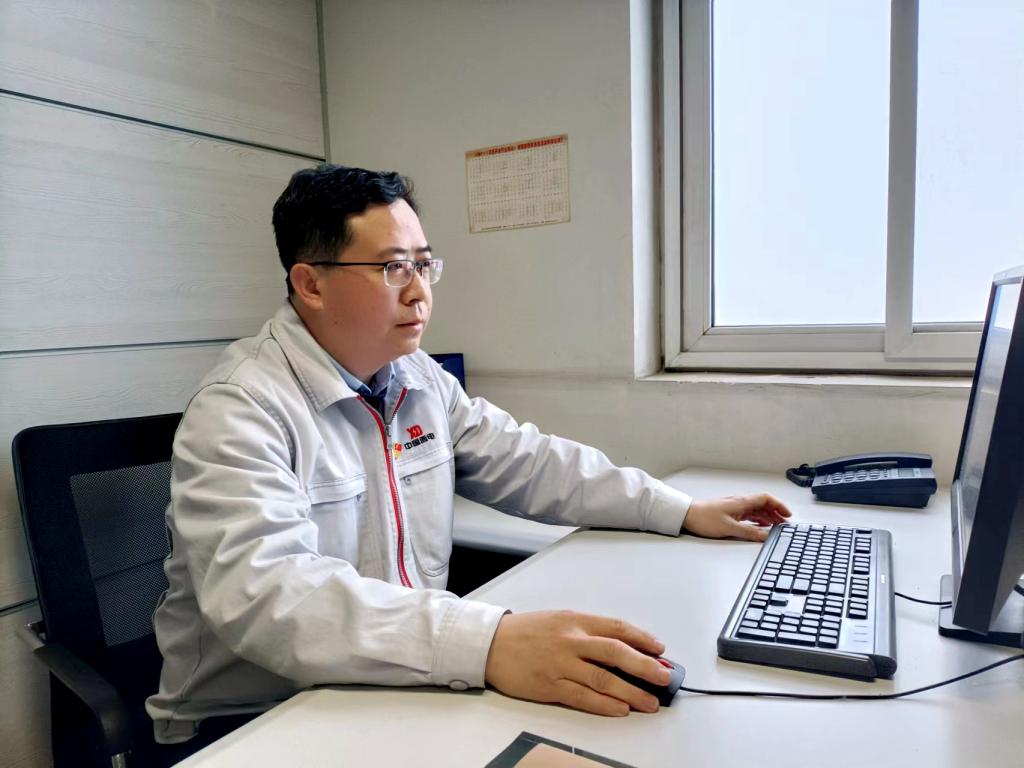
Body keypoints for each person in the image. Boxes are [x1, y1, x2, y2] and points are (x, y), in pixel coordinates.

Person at [146, 164, 790, 756]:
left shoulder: (416, 377)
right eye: (392, 268)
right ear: (310, 283)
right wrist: (490, 642)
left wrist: (678, 509)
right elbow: (269, 598)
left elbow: (529, 461)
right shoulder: (240, 408)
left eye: (424, 265)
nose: (419, 293)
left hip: (394, 679)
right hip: (251, 724)